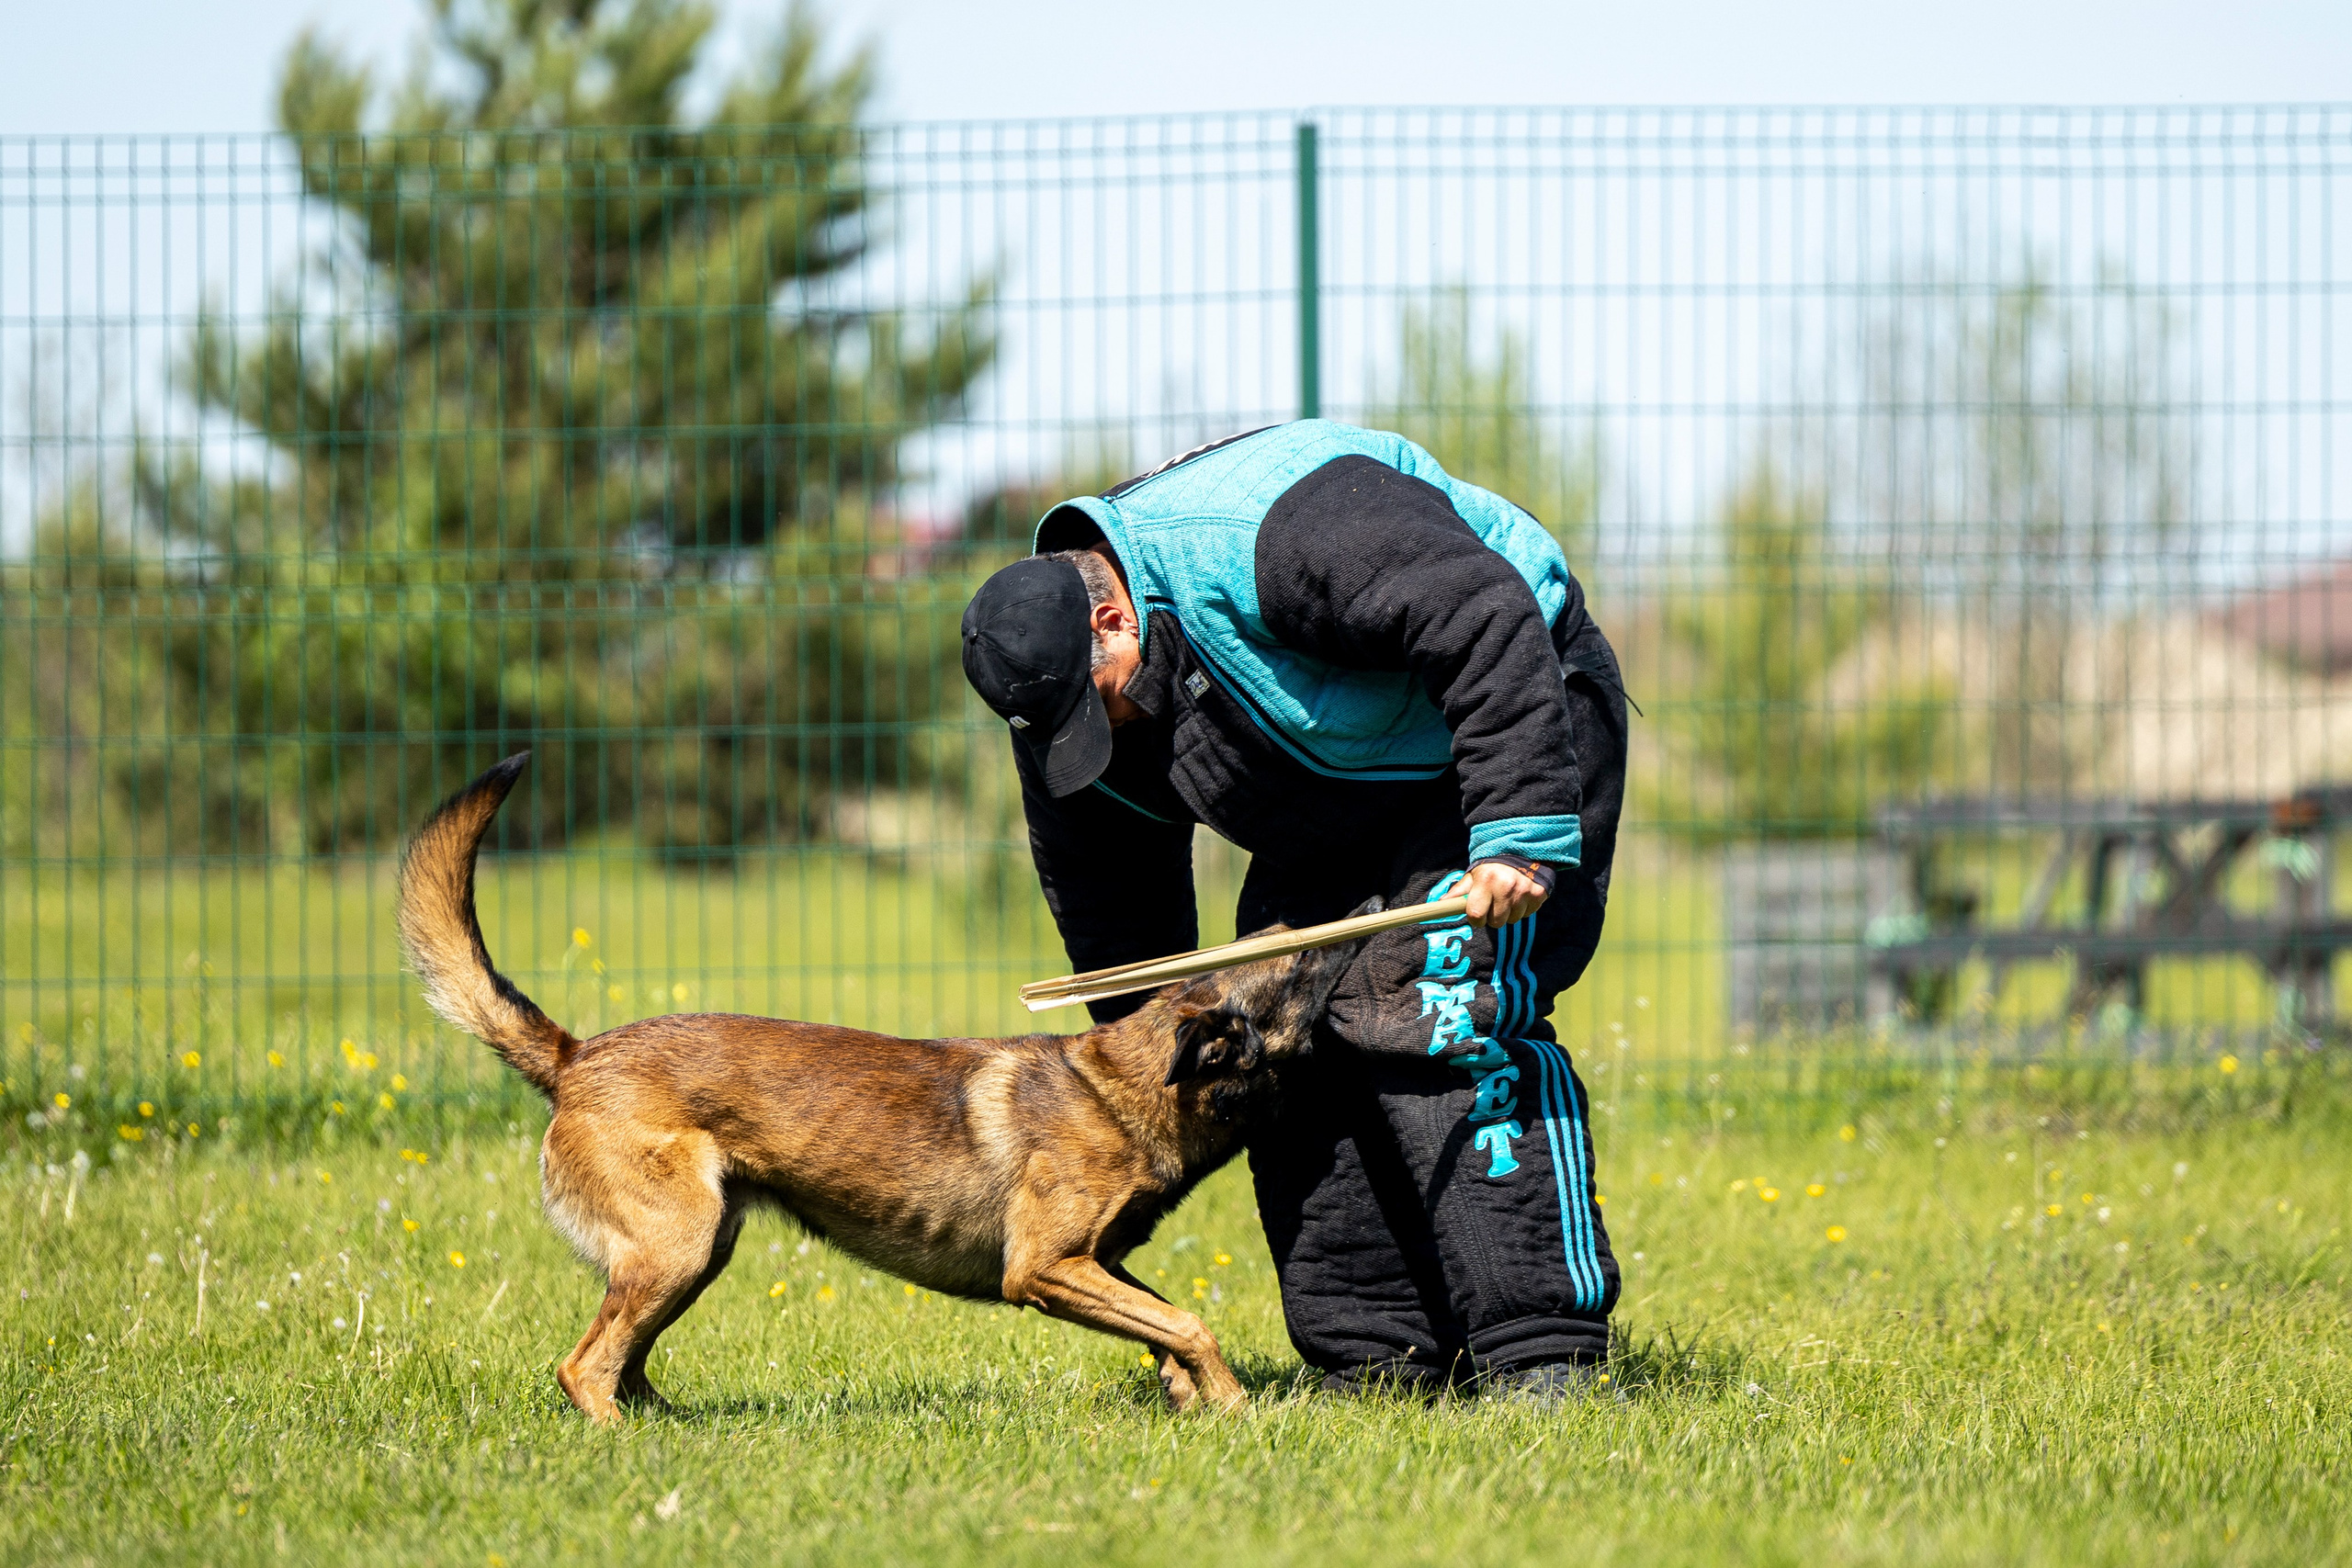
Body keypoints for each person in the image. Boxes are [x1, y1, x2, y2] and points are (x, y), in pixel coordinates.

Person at [959, 420, 1629, 1401]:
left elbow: (1483, 612)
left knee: (1434, 1013)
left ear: (1111, 621)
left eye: (1096, 706)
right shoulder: (1064, 681)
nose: (1094, 732)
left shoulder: (1276, 534)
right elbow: (1104, 882)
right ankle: (1376, 1360)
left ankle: (1543, 1354)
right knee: (1276, 1041)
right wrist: (1154, 1039)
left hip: (1495, 730)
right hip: (1332, 788)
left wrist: (1515, 829)